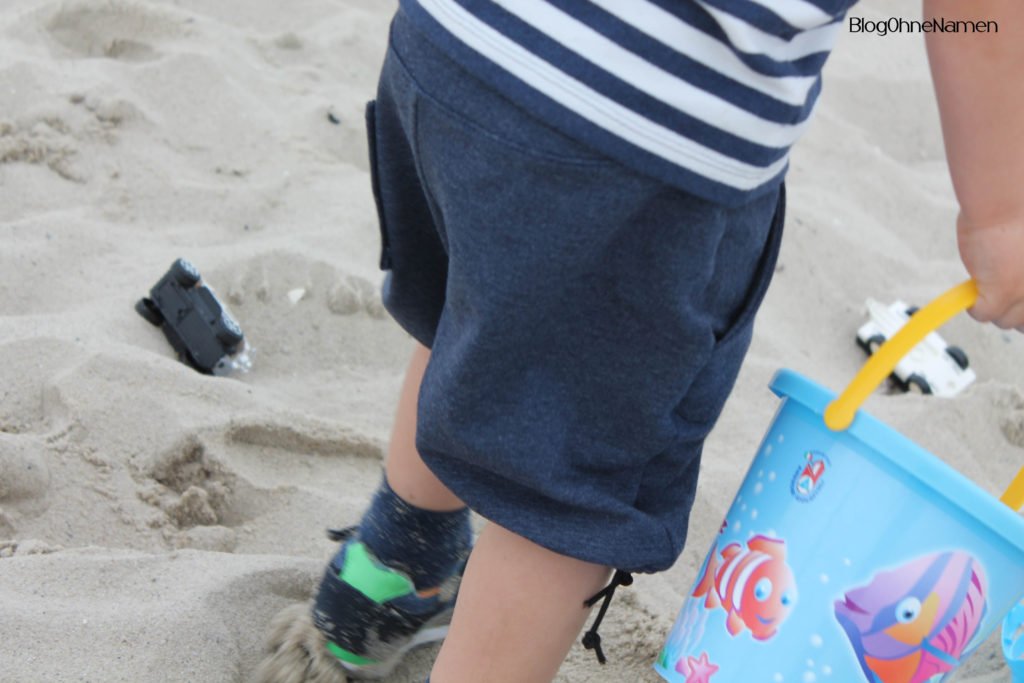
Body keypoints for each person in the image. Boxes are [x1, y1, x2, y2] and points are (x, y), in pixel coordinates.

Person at [256, 0, 1024, 681]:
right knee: (571, 479)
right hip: (637, 133)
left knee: (490, 322)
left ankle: (391, 571)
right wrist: (999, 215)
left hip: (453, 47)